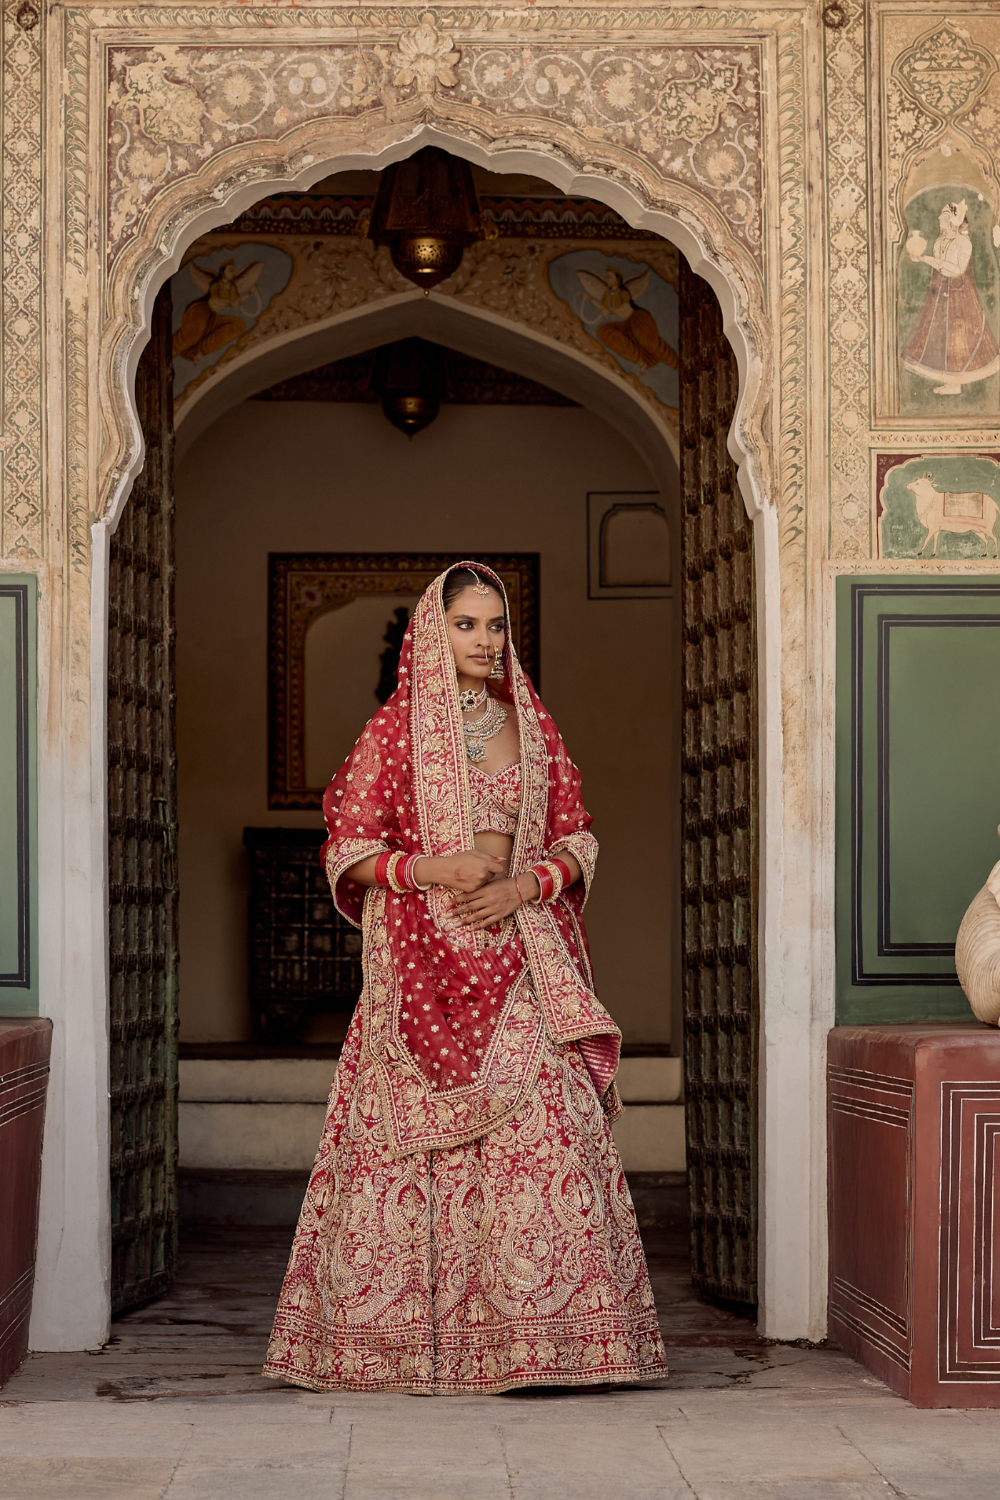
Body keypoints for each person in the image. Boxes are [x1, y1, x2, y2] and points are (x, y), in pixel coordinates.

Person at [263, 563, 667, 1395]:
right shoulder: (393, 735)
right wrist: (433, 868)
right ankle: (402, 1350)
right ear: (430, 631)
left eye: (495, 625)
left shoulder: (535, 729)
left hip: (523, 962)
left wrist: (524, 886)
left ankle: (552, 1345)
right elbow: (346, 848)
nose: (485, 641)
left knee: (549, 1133)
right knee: (408, 1165)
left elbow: (579, 840)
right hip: (420, 979)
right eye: (467, 625)